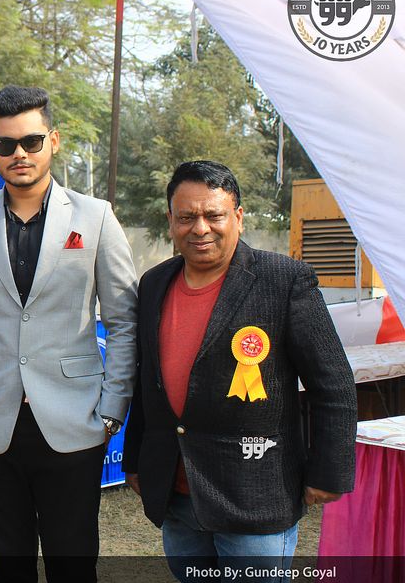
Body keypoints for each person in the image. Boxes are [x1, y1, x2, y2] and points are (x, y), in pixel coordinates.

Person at [0, 85, 138, 583]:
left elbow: (124, 321)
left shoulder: (95, 216)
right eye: (5, 145)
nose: (19, 154)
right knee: (10, 567)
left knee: (74, 565)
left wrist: (111, 410)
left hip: (75, 421)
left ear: (54, 140)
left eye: (31, 141)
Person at [121, 160, 357, 582]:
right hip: (177, 493)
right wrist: (137, 459)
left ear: (239, 217)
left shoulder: (284, 280)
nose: (200, 228)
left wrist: (329, 472)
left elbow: (333, 385)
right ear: (171, 220)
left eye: (213, 215)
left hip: (256, 495)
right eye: (187, 217)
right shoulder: (154, 283)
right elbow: (147, 382)